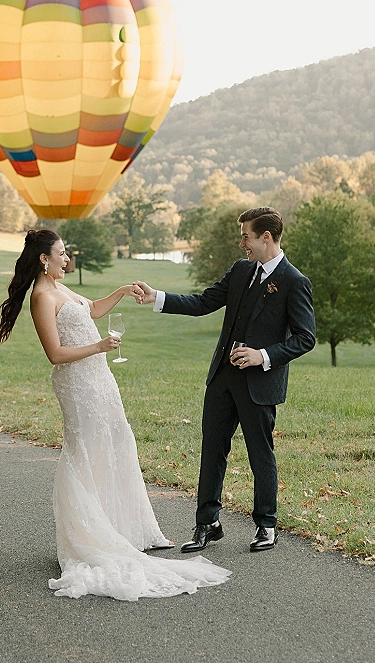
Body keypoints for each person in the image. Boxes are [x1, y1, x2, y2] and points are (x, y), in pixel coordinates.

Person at [0, 229, 230, 601]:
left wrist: (119, 292)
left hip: (100, 379)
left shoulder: (63, 288)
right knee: (85, 452)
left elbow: (94, 309)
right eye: (62, 253)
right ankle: (91, 535)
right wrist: (100, 345)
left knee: (118, 445)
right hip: (77, 384)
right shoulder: (42, 296)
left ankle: (133, 531)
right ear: (44, 258)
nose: (67, 259)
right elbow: (55, 353)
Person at [134, 207, 315, 554]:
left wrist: (261, 355)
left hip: (259, 383)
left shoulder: (295, 281)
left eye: (246, 235)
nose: (241, 242)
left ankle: (266, 525)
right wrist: (156, 297)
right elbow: (203, 302)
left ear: (266, 237)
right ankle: (207, 524)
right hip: (222, 377)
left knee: (260, 454)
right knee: (212, 450)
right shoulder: (240, 271)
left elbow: (305, 338)